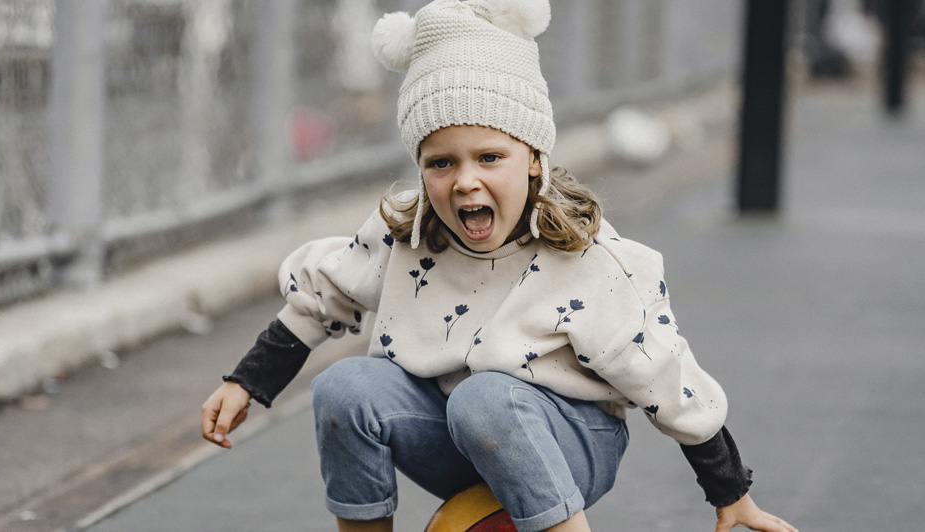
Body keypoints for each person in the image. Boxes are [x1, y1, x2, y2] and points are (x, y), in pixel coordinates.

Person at [201, 1, 796, 531]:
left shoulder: (585, 260)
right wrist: (246, 380)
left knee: (485, 397)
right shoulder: (403, 237)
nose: (465, 182)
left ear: (535, 158)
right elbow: (324, 292)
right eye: (440, 163)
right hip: (457, 433)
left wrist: (729, 491)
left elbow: (664, 373)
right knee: (343, 387)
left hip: (573, 442)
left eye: (490, 157)